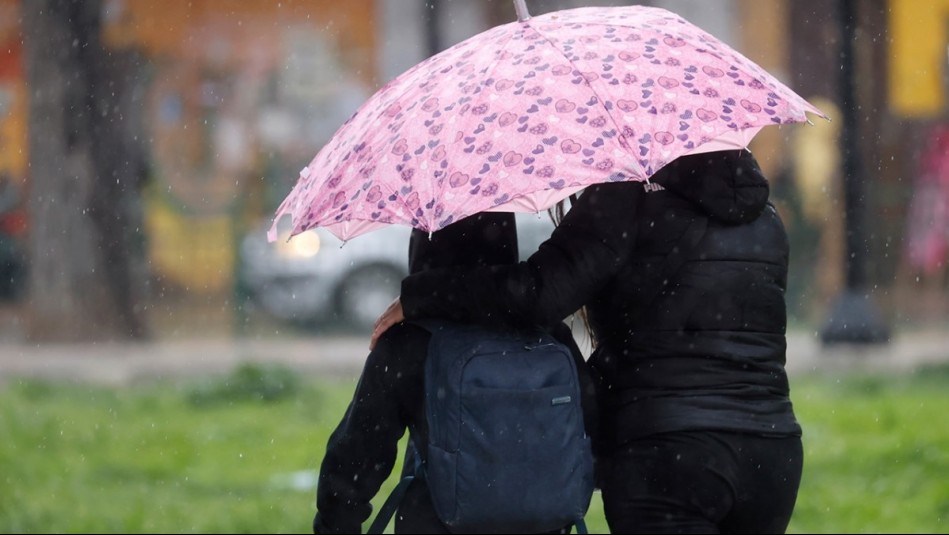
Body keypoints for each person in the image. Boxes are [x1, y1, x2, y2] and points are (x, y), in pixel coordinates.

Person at [372, 149, 803, 534]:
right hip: (772, 453)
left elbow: (538, 295)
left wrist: (423, 294)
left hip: (667, 453)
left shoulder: (626, 196)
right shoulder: (764, 216)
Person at [313, 212, 597, 534]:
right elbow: (588, 425)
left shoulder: (411, 340)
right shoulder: (548, 334)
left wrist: (334, 525)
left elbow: (357, 455)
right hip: (542, 524)